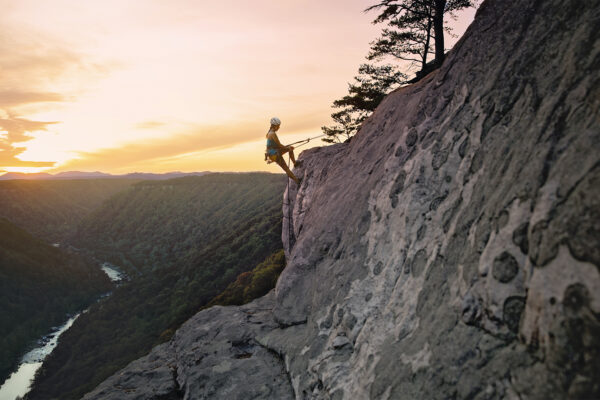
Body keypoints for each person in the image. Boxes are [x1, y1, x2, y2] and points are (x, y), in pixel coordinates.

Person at [265, 117, 301, 185]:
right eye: (278, 126)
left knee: (289, 148)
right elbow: (279, 144)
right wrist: (287, 148)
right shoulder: (273, 134)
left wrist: (287, 148)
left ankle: (295, 163)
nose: (279, 127)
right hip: (274, 154)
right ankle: (297, 181)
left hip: (273, 153)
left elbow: (275, 145)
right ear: (275, 126)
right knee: (286, 168)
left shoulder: (269, 133)